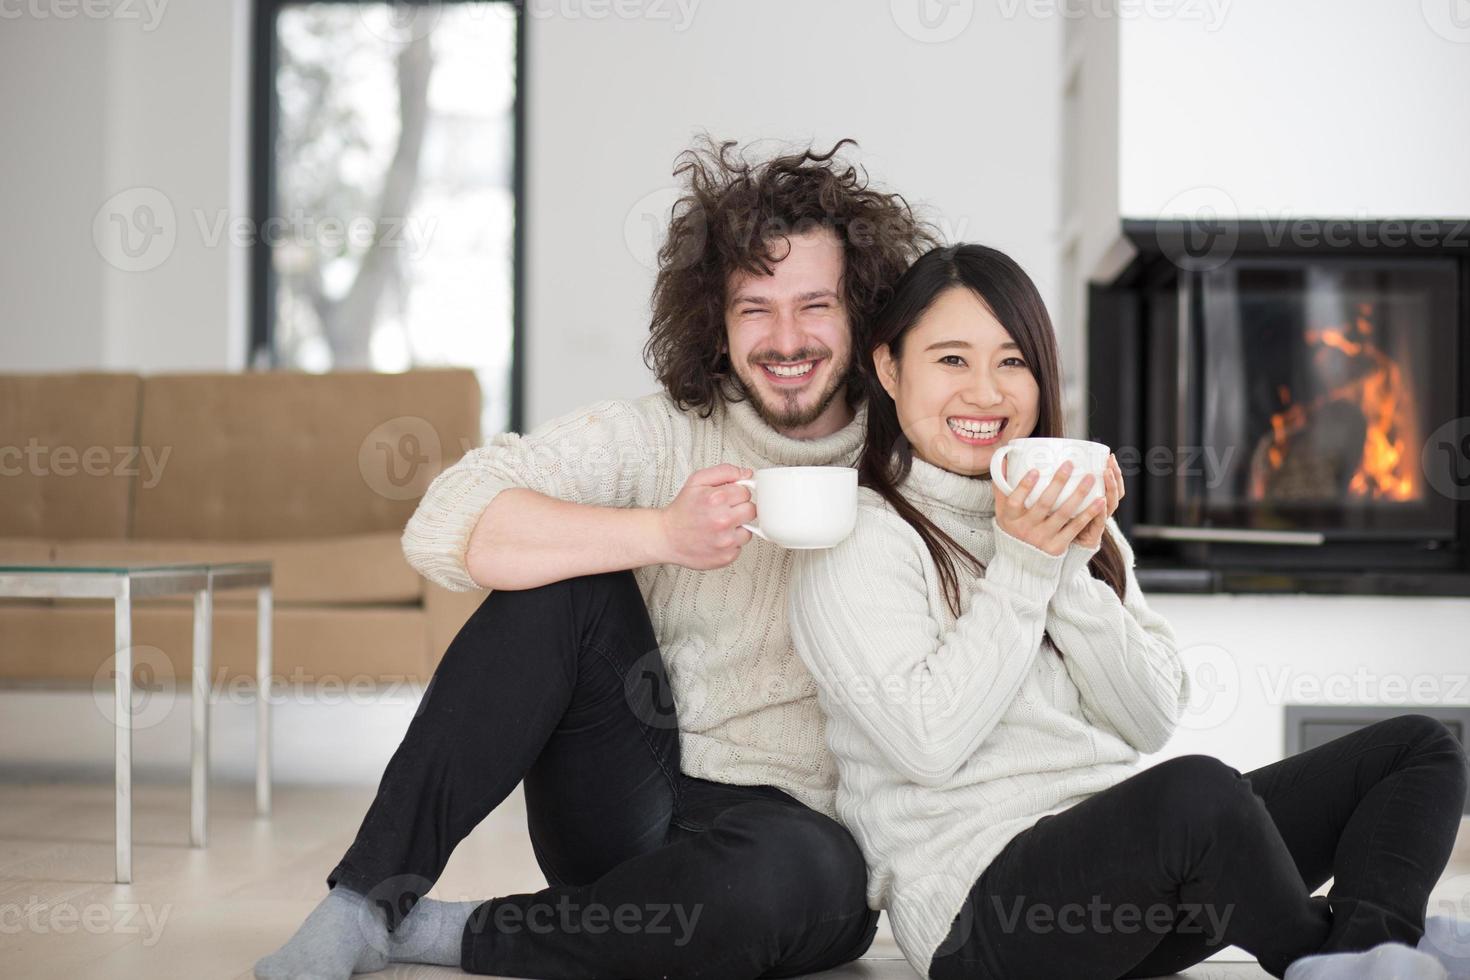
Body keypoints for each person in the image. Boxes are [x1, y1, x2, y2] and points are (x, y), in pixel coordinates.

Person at [253, 137, 938, 980]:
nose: (786, 338)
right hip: (629, 794)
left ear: (863, 314)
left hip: (791, 835)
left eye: (815, 305)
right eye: (755, 307)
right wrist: (657, 534)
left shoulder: (911, 459)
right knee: (561, 588)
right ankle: (365, 901)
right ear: (717, 326)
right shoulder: (659, 434)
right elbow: (444, 523)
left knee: (819, 879)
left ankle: (460, 934)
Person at [787, 243, 1470, 980]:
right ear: (890, 368)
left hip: (1140, 887)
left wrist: (1072, 573)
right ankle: (1332, 957)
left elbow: (1146, 718)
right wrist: (1025, 568)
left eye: (1012, 362)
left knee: (1418, 749)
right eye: (952, 360)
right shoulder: (856, 542)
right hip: (987, 919)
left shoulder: (1070, 518)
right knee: (1199, 790)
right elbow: (927, 744)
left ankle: (1368, 957)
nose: (985, 392)